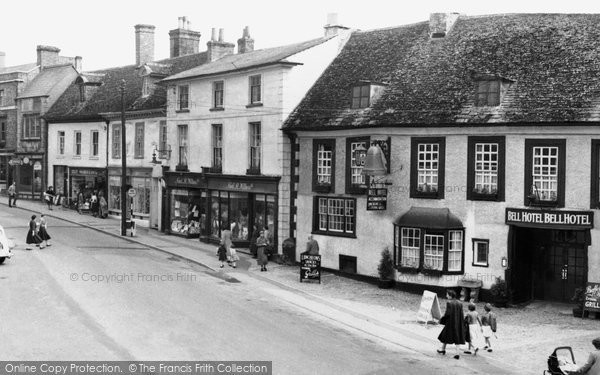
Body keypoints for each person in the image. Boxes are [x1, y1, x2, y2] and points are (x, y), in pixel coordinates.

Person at [437, 289, 466, 360]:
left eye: (447, 294)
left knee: (446, 334)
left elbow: (447, 314)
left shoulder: (449, 303)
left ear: (450, 295)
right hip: (458, 322)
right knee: (456, 336)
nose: (446, 295)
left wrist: (441, 320)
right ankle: (457, 353)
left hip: (450, 322)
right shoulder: (460, 303)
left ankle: (443, 349)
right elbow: (461, 313)